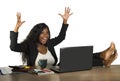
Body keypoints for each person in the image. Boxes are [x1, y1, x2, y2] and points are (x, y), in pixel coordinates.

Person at [10, 7, 117, 69]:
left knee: (74, 56)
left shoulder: (49, 43)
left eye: (47, 33)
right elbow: (14, 47)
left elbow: (61, 37)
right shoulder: (30, 46)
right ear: (36, 34)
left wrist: (65, 21)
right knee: (73, 60)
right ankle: (103, 61)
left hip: (54, 72)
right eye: (42, 33)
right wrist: (16, 28)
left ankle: (102, 56)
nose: (45, 35)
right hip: (37, 77)